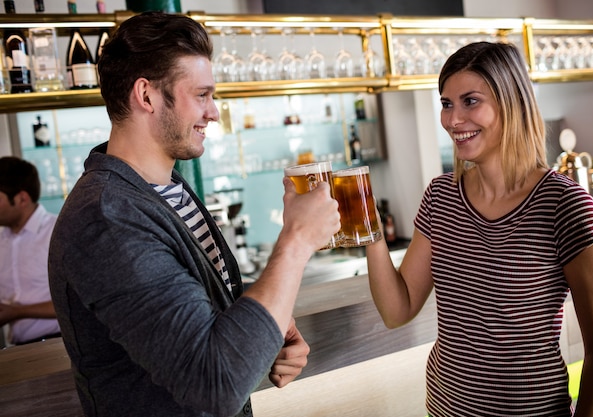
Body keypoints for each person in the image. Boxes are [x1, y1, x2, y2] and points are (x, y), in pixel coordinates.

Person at [48, 12, 340, 417]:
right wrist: (296, 242)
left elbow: (197, 322)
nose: (214, 111)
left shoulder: (166, 187)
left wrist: (264, 328)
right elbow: (213, 383)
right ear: (146, 96)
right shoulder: (107, 217)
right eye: (202, 95)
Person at [366, 41, 593, 417]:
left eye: (470, 101)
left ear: (512, 102)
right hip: (443, 409)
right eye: (446, 103)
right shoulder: (441, 197)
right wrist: (368, 226)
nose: (453, 120)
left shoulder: (563, 205)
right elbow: (397, 309)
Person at [0, 156, 60, 346]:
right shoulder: (2, 240)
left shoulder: (58, 232)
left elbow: (80, 303)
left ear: (22, 199)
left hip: (58, 346)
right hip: (16, 349)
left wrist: (18, 312)